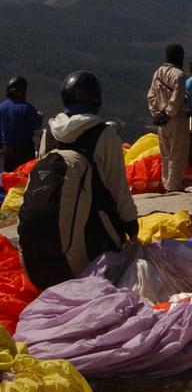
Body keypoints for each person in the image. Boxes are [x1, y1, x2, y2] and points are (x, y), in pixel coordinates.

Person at [21, 71, 139, 288]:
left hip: (39, 260)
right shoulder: (103, 135)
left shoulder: (49, 133)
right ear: (96, 100)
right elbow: (118, 187)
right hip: (89, 250)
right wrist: (131, 224)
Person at [147, 43, 189, 192]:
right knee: (177, 154)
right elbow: (177, 99)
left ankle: (166, 183)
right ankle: (174, 186)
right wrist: (168, 112)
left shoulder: (158, 73)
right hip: (176, 118)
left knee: (165, 154)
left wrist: (157, 114)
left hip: (161, 121)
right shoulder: (179, 75)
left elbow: (151, 96)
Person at [1, 76, 41, 173]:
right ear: (22, 91)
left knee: (10, 175)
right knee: (26, 175)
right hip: (25, 148)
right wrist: (39, 117)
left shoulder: (1, 107)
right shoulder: (27, 108)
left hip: (7, 147)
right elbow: (36, 125)